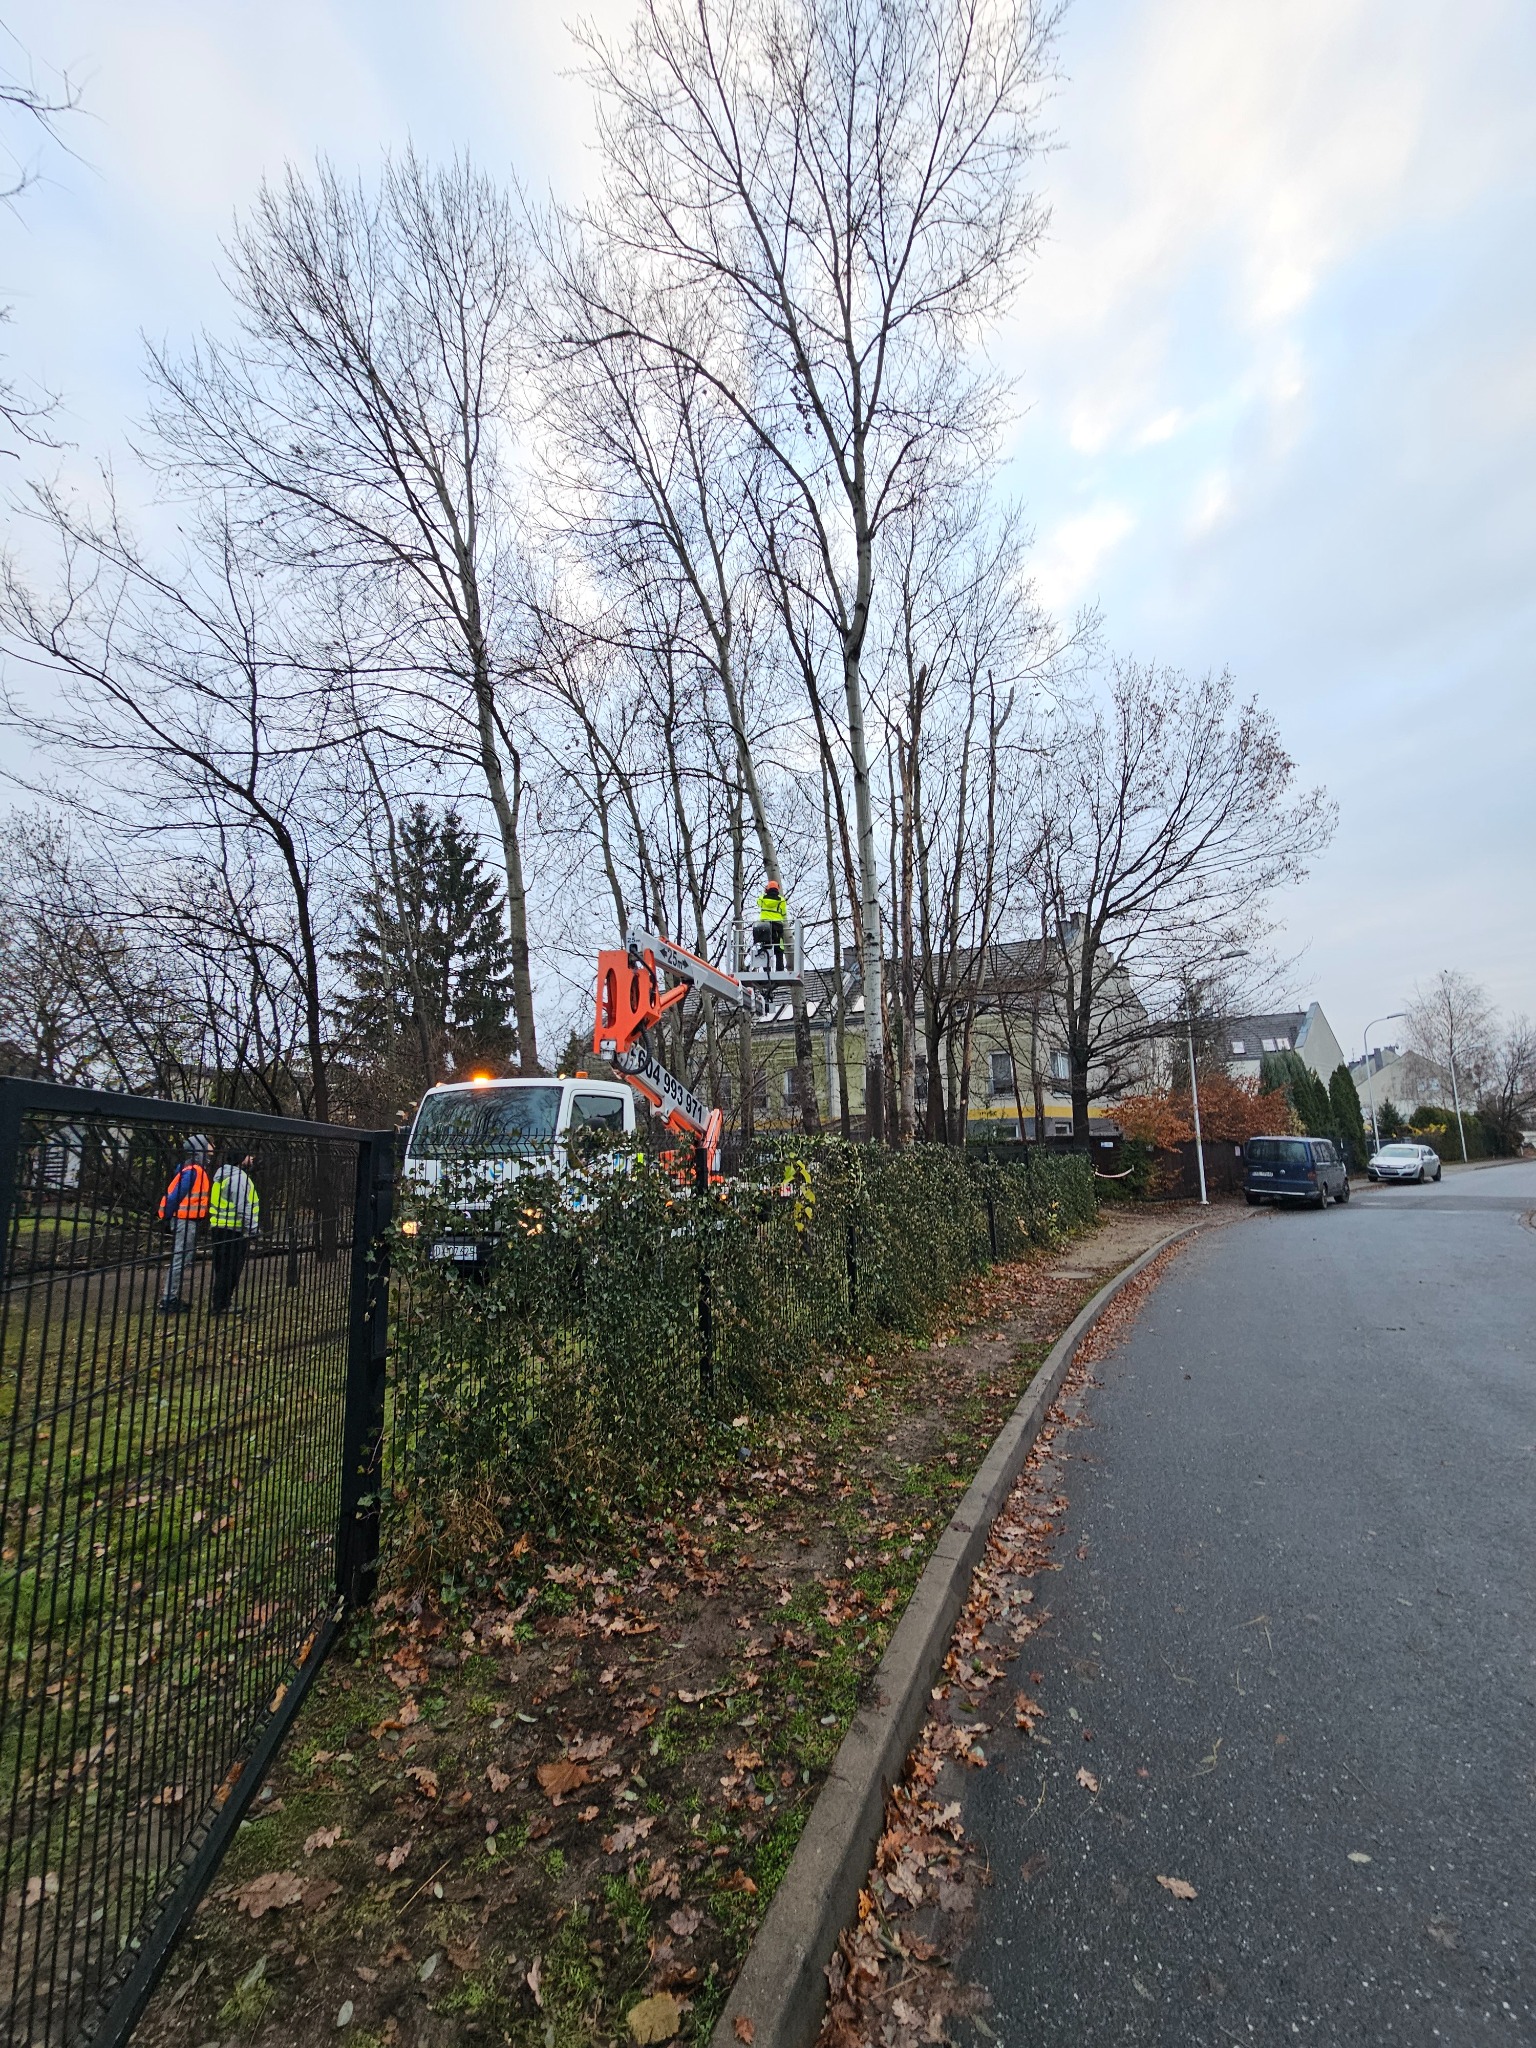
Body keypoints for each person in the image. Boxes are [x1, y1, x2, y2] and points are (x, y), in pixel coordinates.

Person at [157, 1135, 211, 1313]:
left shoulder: (193, 1170)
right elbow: (175, 1196)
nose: (212, 1150)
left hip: (188, 1220)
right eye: (208, 1146)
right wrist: (167, 1216)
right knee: (180, 1258)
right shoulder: (192, 1172)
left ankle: (171, 1297)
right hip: (184, 1220)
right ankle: (168, 1299)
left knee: (184, 1258)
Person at [208, 1152, 260, 1316]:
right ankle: (222, 1304)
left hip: (219, 1227)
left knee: (222, 1267)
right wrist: (252, 1228)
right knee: (230, 1268)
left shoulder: (221, 1176)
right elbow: (241, 1206)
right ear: (240, 1159)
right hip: (233, 1230)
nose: (252, 1159)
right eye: (248, 1156)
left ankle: (221, 1302)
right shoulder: (238, 1179)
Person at [753, 879, 789, 973]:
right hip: (777, 926)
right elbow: (784, 913)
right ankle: (779, 969)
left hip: (765, 926)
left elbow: (758, 903)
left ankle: (766, 969)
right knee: (779, 947)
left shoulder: (763, 898)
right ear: (777, 889)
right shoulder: (781, 900)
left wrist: (765, 893)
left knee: (766, 947)